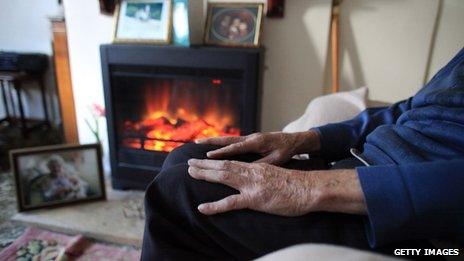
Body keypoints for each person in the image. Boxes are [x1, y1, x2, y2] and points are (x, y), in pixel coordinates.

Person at [141, 48, 464, 260]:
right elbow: (409, 109)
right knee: (193, 155)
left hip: (416, 226)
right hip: (364, 165)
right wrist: (304, 139)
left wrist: (308, 187)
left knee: (177, 191)